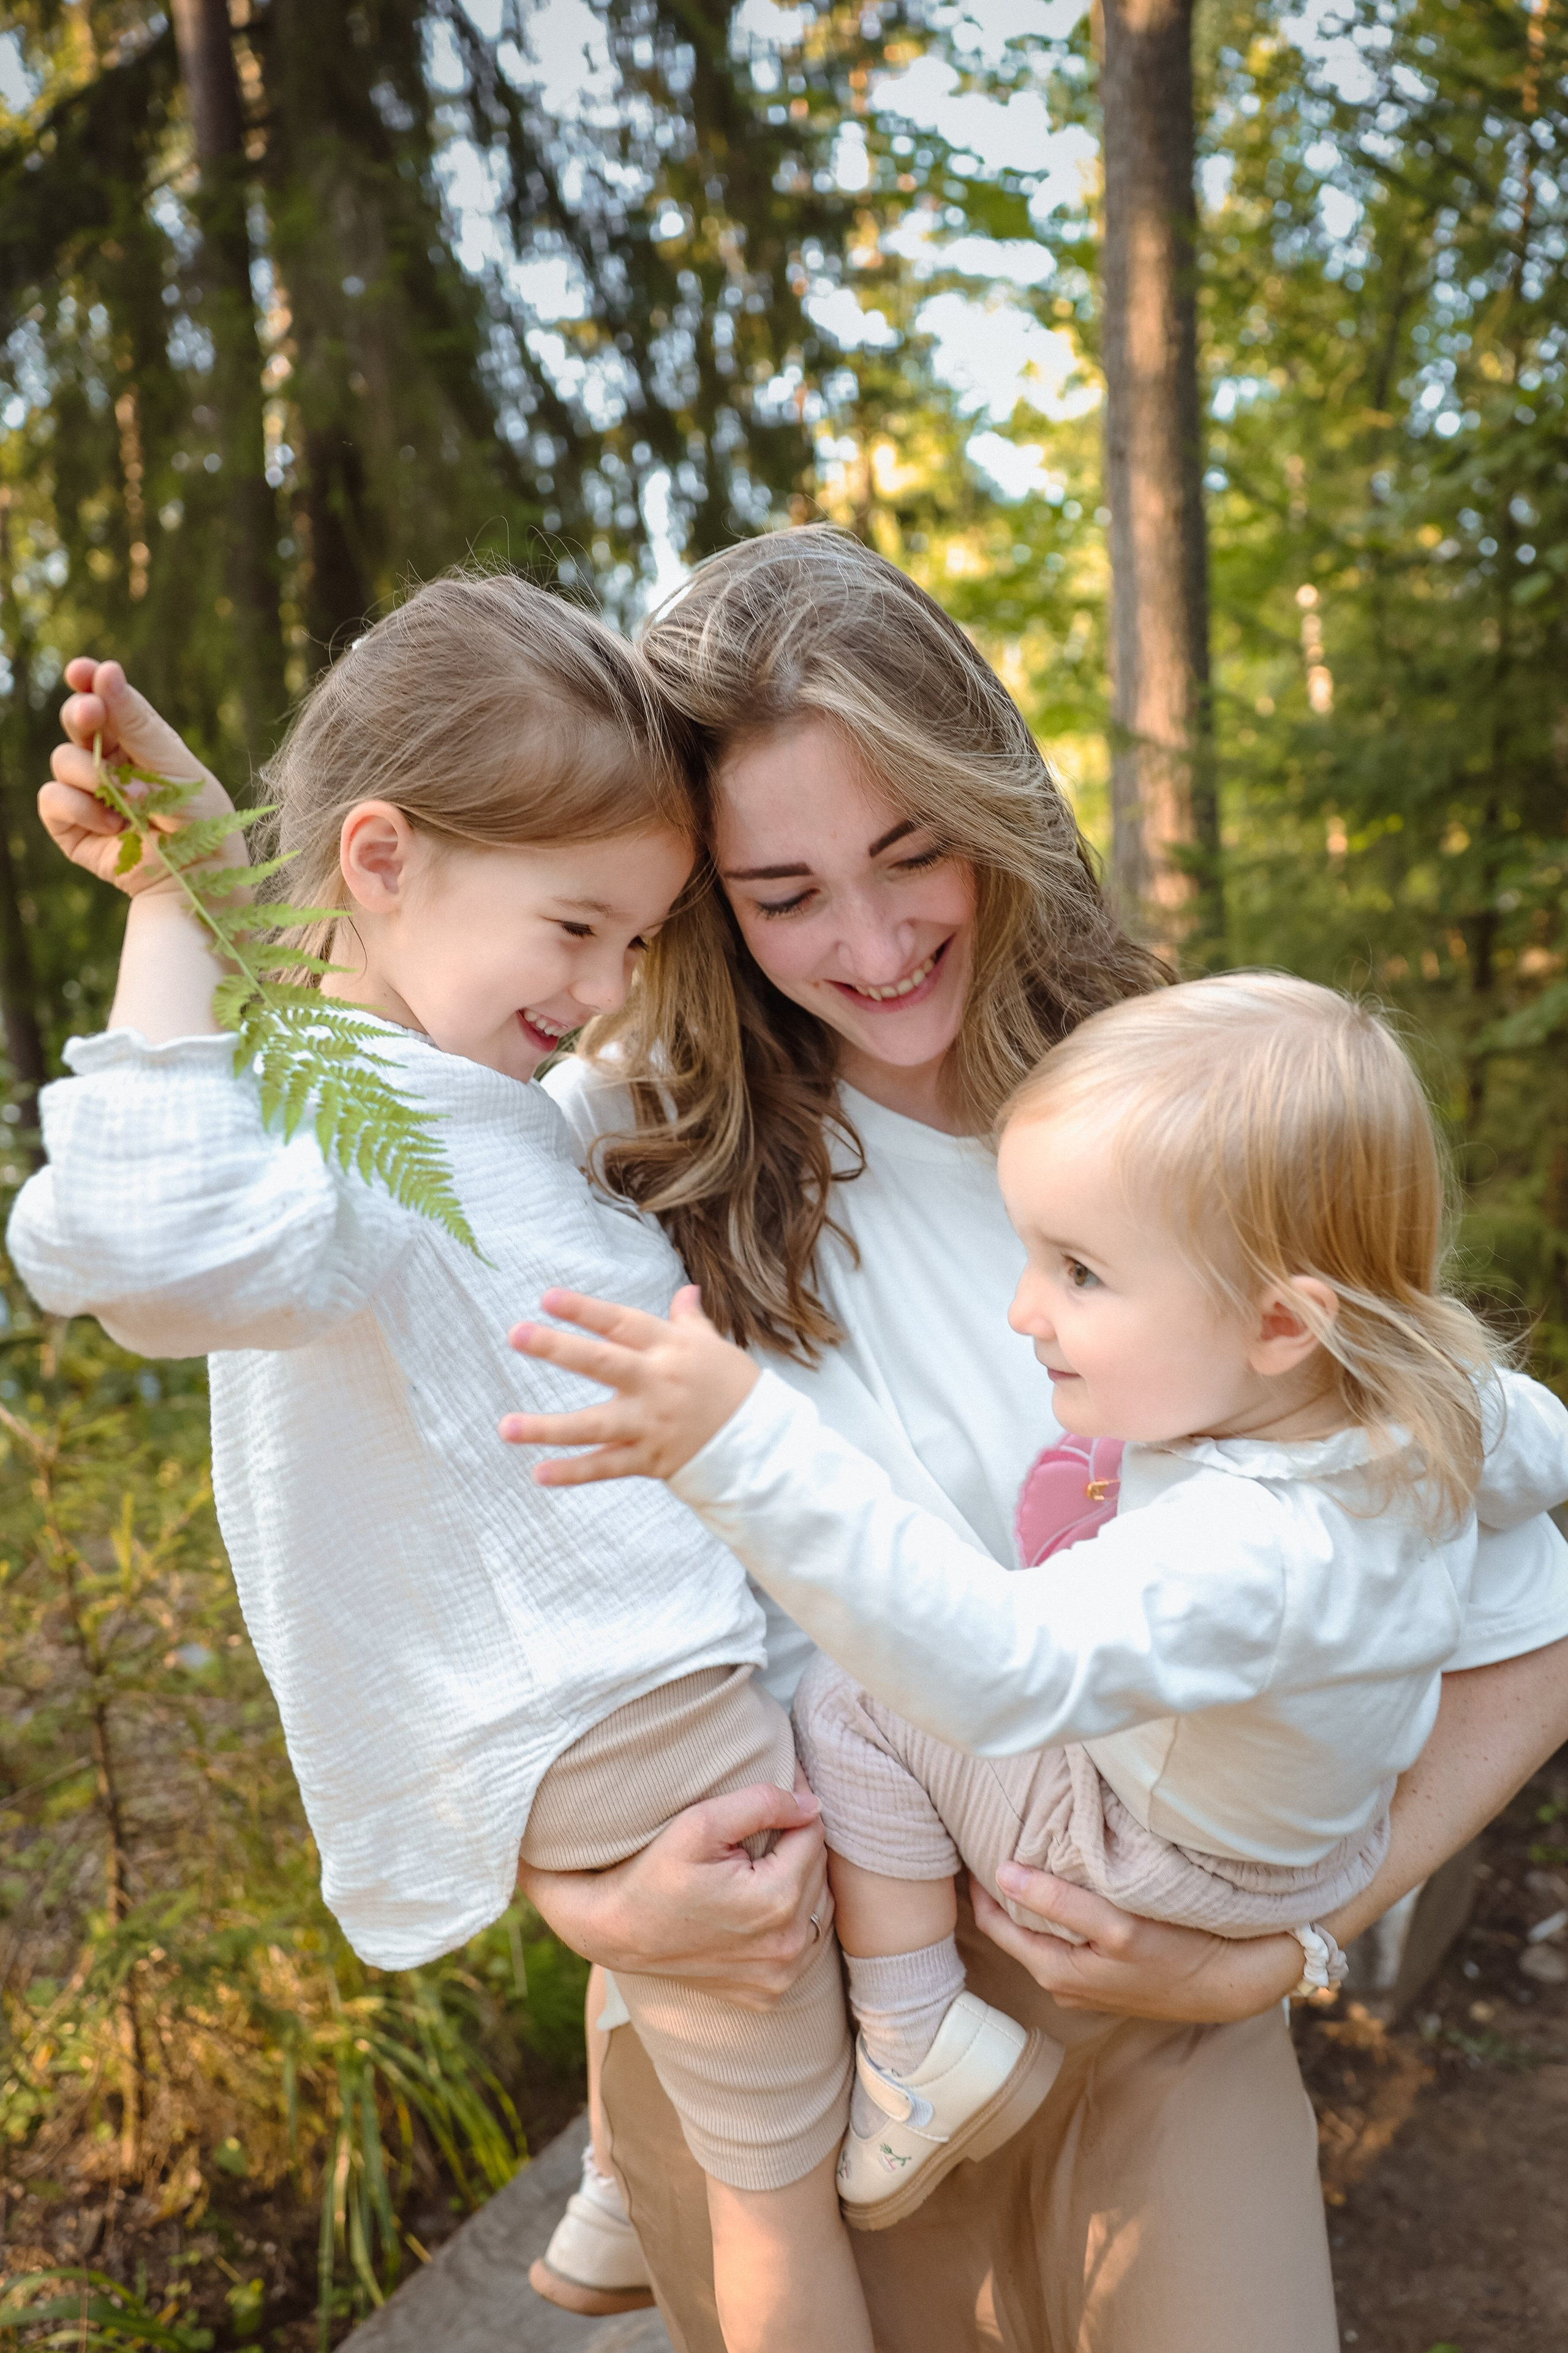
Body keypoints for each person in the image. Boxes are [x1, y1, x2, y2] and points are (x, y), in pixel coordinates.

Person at [520, 527, 1568, 2351]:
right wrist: (572, 1886)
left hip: (1160, 1995)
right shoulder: (608, 1146)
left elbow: (1517, 1593)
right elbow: (432, 1548)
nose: (872, 939)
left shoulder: (1172, 1108)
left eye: (911, 850)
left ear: (991, 794)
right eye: (783, 892)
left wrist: (1287, 1938)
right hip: (807, 2032)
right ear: (700, 902)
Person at [8, 578, 884, 2353]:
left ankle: (616, 2204)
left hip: (647, 1690)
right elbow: (137, 1235)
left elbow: (343, 983)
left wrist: (221, 853)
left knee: (732, 2102)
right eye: (578, 927)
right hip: (636, 1714)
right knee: (791, 2176)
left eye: (639, 939)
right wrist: (180, 894)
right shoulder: (330, 1153)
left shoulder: (412, 1090)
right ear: (389, 858)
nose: (611, 986)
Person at [504, 972, 1568, 2230]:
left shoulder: (1253, 1549)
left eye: (1076, 1274)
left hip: (1157, 1859)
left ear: (1281, 1321)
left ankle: (910, 2046)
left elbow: (994, 1671)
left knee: (853, 1709)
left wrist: (737, 1445)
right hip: (1317, 1834)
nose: (1024, 1310)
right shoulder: (1429, 1389)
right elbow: (1539, 1443)